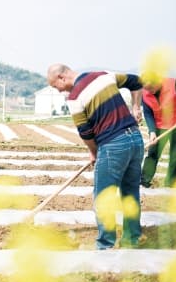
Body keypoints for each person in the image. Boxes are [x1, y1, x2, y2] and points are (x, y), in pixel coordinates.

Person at [47, 64, 144, 250]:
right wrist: (136, 107)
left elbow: (86, 132)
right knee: (130, 192)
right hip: (136, 139)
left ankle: (105, 246)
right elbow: (137, 82)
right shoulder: (104, 75)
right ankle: (132, 240)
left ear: (61, 77)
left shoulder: (75, 98)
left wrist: (93, 152)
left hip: (113, 143)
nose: (58, 91)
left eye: (55, 86)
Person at [140, 76, 176, 188]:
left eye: (151, 88)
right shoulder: (145, 94)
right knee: (152, 154)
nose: (150, 91)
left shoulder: (175, 84)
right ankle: (144, 181)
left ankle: (170, 184)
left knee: (175, 155)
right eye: (147, 89)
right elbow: (148, 114)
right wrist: (152, 131)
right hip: (159, 126)